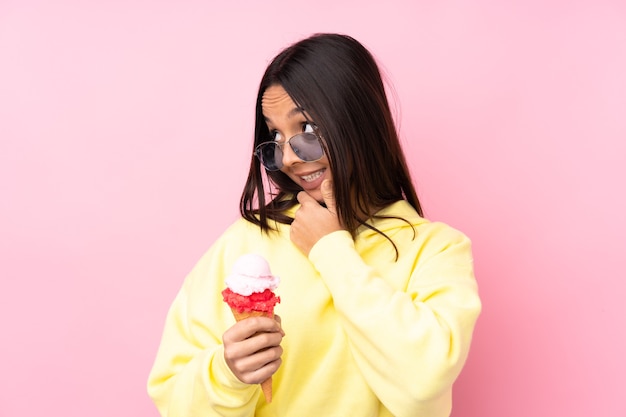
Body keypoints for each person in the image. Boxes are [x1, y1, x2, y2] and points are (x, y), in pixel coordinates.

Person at [147, 33, 481, 417]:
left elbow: (423, 386)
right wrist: (227, 373)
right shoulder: (246, 242)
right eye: (274, 136)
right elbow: (172, 395)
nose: (288, 158)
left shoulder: (436, 250)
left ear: (359, 123)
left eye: (305, 130)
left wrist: (331, 248)